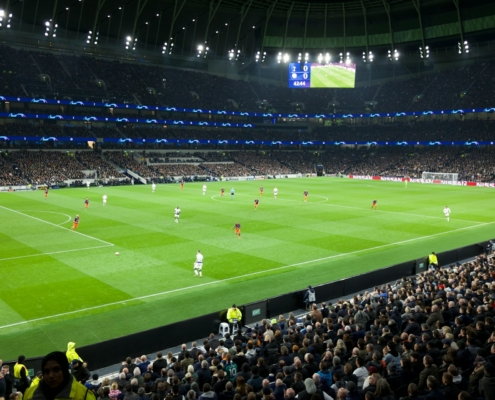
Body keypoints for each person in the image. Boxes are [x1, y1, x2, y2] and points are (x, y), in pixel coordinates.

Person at [24, 351, 96, 400]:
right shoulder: (27, 395)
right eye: (46, 371)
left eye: (56, 370)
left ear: (64, 371)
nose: (51, 375)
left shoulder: (84, 395)